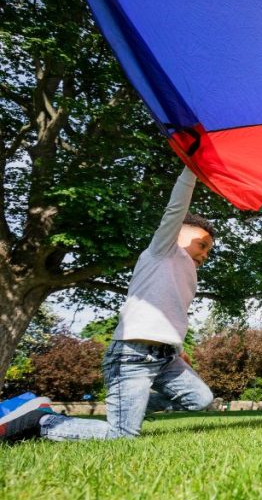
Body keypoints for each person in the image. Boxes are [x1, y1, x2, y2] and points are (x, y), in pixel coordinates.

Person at [2, 167, 215, 443]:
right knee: (122, 436)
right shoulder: (163, 250)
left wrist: (178, 348)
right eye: (202, 244)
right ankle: (43, 421)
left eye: (209, 250)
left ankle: (128, 409)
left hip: (165, 357)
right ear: (177, 234)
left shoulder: (186, 273)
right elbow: (176, 207)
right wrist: (192, 170)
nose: (205, 253)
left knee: (201, 399)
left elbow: (169, 312)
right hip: (132, 356)